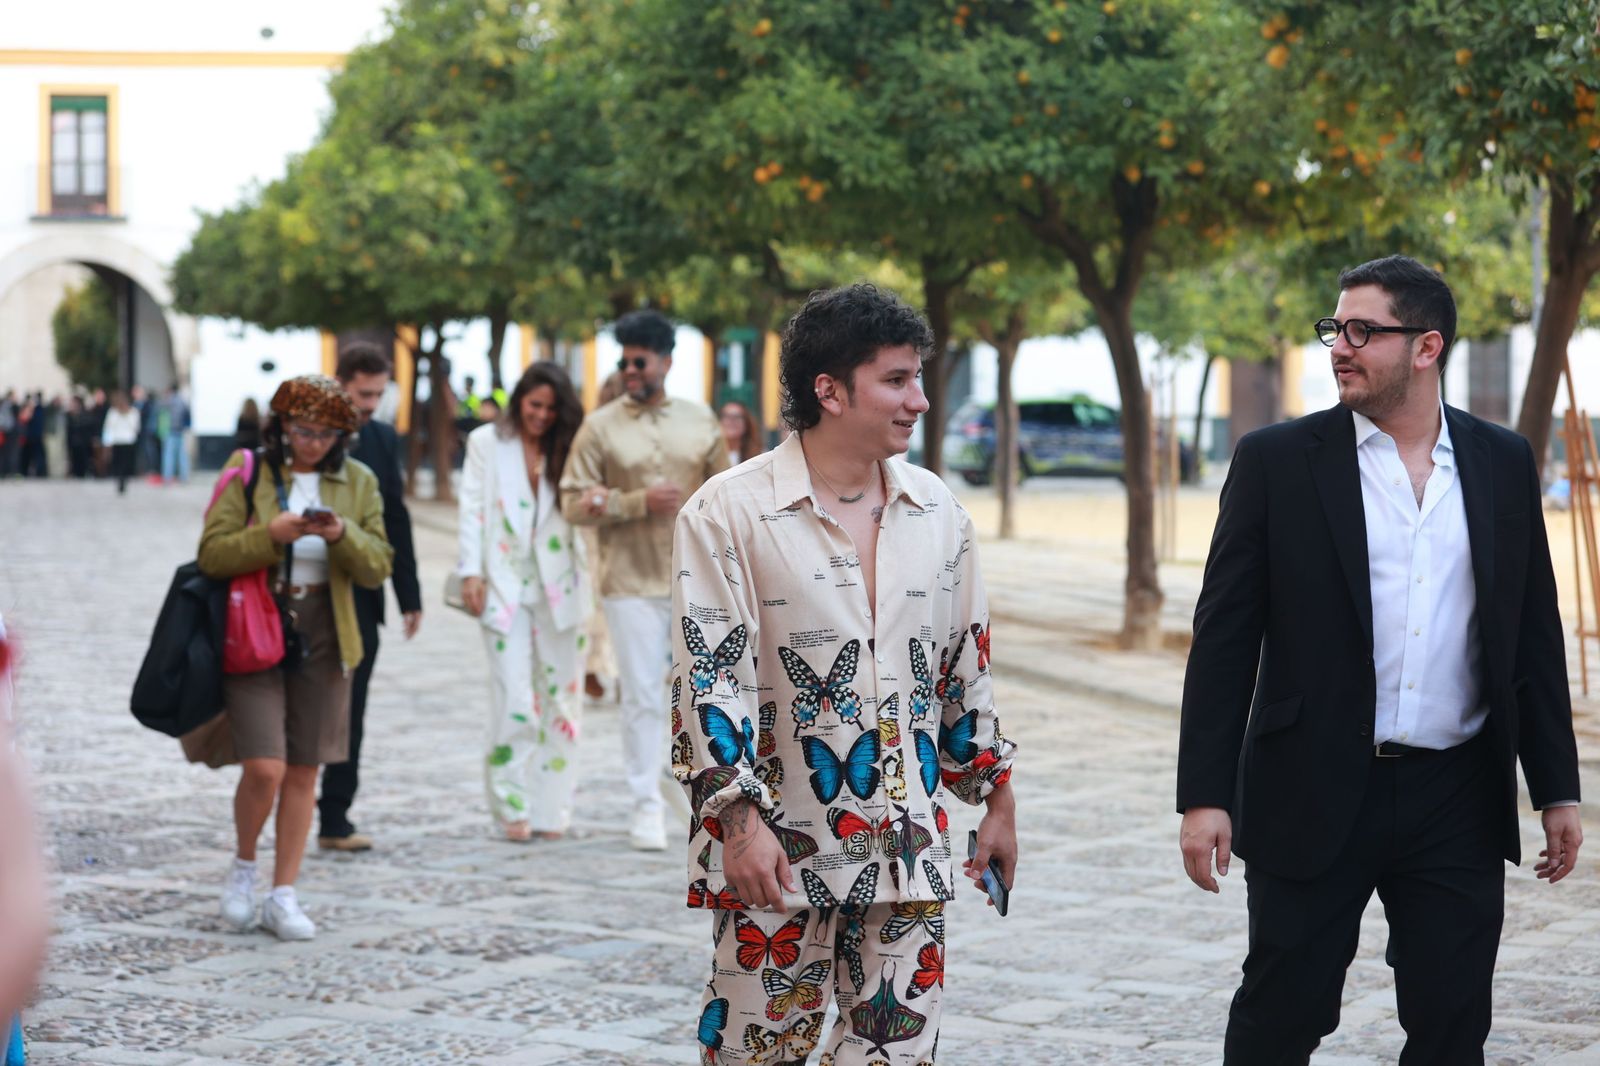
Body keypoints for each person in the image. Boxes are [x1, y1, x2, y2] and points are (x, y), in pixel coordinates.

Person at [1177, 255, 1584, 1064]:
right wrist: (1205, 795)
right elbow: (1224, 638)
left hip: (1456, 794)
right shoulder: (1276, 461)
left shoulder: (1501, 461)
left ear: (1426, 346)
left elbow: (1531, 630)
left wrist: (1558, 788)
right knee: (1282, 1015)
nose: (1339, 346)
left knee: (1451, 1022)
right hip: (1312, 781)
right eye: (1335, 329)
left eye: (1363, 331)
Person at [672, 284, 1018, 1065]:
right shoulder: (727, 512)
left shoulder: (940, 512)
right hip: (777, 848)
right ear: (828, 390)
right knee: (758, 1052)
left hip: (907, 847)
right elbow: (708, 679)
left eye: (919, 378)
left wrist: (996, 798)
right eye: (896, 380)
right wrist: (737, 824)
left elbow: (965, 668)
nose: (920, 401)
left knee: (894, 1054)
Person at [197, 374, 392, 941]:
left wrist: (342, 535)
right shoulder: (248, 470)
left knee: (306, 767)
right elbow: (211, 552)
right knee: (265, 765)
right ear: (281, 426)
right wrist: (271, 536)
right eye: (302, 430)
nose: (312, 443)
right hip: (257, 627)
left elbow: (378, 564)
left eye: (326, 433)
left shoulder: (358, 480)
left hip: (328, 633)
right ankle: (242, 867)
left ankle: (283, 892)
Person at [559, 309, 730, 851]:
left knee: (701, 695)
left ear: (666, 361)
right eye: (624, 360)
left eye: (640, 360)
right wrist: (635, 502)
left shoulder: (700, 420)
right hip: (629, 582)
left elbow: (727, 495)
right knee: (639, 696)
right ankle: (644, 805)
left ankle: (712, 795)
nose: (630, 369)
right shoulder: (600, 425)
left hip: (695, 580)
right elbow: (571, 501)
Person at [457, 362, 590, 841]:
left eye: (552, 408)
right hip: (503, 584)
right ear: (518, 401)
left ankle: (552, 809)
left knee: (562, 701)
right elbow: (472, 508)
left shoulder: (573, 445)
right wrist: (470, 570)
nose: (542, 416)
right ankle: (510, 802)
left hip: (563, 586)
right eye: (535, 405)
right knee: (514, 699)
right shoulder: (487, 445)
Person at [316, 345, 423, 853]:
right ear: (340, 384)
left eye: (379, 395)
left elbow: (396, 518)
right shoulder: (311, 438)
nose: (370, 404)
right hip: (309, 592)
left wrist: (409, 594)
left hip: (362, 592)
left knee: (350, 709)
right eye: (363, 394)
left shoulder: (381, 438)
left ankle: (335, 813)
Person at [101, 391, 140, 494]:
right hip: (122, 440)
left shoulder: (130, 412)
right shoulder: (115, 412)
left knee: (122, 463)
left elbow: (108, 428)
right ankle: (121, 480)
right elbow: (109, 428)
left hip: (124, 440)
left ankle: (122, 480)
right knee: (121, 463)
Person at [160, 385, 191, 484]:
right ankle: (184, 477)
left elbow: (160, 414)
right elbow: (188, 414)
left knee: (168, 456)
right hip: (180, 431)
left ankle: (167, 478)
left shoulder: (166, 402)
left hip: (169, 431)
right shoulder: (182, 402)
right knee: (182, 456)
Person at [717, 400, 763, 465]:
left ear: (747, 423)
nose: (731, 420)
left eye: (737, 417)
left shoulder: (760, 455)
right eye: (727, 416)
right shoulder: (709, 455)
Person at [65, 396, 95, 479]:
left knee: (83, 460)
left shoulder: (85, 414)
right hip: (73, 442)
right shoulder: (69, 415)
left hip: (83, 442)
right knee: (74, 460)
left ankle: (83, 474)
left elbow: (88, 427)